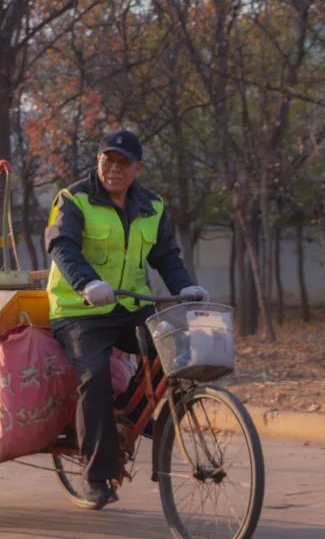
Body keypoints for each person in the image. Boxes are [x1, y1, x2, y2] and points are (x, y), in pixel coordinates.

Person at [45, 128, 208, 508]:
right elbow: (61, 245)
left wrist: (185, 286)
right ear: (98, 161)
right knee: (95, 374)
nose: (114, 168)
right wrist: (86, 283)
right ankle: (95, 476)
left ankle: (132, 419)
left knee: (176, 352)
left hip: (131, 306)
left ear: (138, 168)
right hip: (80, 310)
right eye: (108, 160)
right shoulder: (73, 198)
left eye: (123, 162)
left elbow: (165, 255)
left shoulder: (153, 206)